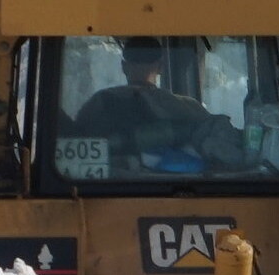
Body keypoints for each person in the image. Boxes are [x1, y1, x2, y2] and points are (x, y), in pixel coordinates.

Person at [73, 37, 245, 173]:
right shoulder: (188, 107)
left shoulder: (100, 102)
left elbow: (77, 142)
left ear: (124, 67)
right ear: (161, 67)